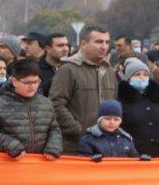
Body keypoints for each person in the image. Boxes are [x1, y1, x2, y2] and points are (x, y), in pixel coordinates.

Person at [49, 26, 117, 155]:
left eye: (107, 42)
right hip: (75, 146)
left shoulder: (109, 71)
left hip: (105, 145)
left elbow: (114, 105)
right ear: (84, 44)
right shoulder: (68, 69)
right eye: (99, 42)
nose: (104, 46)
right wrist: (77, 129)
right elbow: (55, 104)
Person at [0, 58, 61, 160]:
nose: (32, 86)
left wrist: (53, 146)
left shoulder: (46, 103)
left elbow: (54, 128)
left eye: (35, 82)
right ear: (14, 81)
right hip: (11, 162)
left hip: (41, 163)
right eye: (27, 83)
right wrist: (10, 144)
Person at [117, 58, 159, 158]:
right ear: (128, 78)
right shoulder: (120, 100)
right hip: (133, 155)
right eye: (137, 74)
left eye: (145, 74)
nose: (142, 77)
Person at [76, 100, 143, 160]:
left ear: (120, 121)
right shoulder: (88, 139)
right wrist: (90, 160)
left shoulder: (126, 139)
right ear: (100, 120)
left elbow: (135, 159)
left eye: (116, 119)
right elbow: (81, 161)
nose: (112, 122)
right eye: (107, 119)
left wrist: (143, 160)